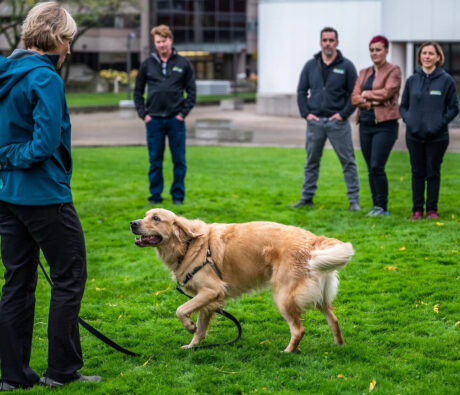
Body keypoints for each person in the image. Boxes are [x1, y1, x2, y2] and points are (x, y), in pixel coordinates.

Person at [0, 2, 101, 390]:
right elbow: (43, 144)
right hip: (44, 195)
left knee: (17, 281)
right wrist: (10, 156)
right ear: (55, 38)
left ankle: (12, 375)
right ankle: (61, 371)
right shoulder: (45, 78)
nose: (70, 49)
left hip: (7, 195)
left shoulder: (7, 72)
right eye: (68, 40)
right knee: (69, 277)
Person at [291, 27, 360, 211]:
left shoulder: (346, 66)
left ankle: (354, 201)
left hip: (337, 123)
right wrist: (306, 114)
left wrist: (343, 114)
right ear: (320, 42)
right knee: (311, 162)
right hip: (315, 123)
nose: (328, 43)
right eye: (325, 40)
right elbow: (301, 91)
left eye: (331, 40)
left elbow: (354, 94)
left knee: (348, 162)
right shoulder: (310, 65)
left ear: (337, 42)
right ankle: (306, 198)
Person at [134, 25, 196, 206]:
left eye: (163, 41)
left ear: (170, 40)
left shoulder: (183, 64)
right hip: (153, 121)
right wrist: (143, 114)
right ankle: (155, 197)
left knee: (179, 161)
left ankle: (178, 196)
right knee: (155, 161)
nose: (161, 45)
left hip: (175, 120)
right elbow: (138, 92)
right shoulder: (147, 64)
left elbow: (191, 92)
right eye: (157, 42)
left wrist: (182, 114)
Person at [400, 42, 459, 220]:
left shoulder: (446, 80)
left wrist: (440, 122)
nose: (427, 56)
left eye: (431, 54)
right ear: (420, 57)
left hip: (437, 136)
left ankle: (432, 210)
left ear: (438, 57)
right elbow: (403, 107)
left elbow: (454, 108)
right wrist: (410, 120)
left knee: (433, 173)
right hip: (414, 136)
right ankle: (417, 210)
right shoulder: (412, 80)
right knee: (417, 173)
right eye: (424, 53)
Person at [351, 35, 401, 216]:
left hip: (385, 126)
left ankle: (382, 207)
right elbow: (354, 97)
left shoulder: (393, 70)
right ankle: (375, 206)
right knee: (370, 168)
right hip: (365, 124)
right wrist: (368, 100)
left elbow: (388, 92)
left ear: (386, 51)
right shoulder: (364, 72)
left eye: (378, 50)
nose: (374, 53)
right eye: (372, 50)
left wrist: (366, 95)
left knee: (377, 166)